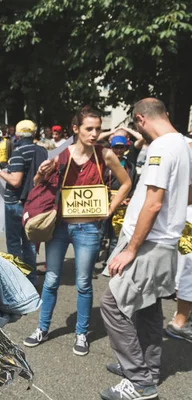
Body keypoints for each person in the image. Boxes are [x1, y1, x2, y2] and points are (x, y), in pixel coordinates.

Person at [99, 99, 192, 400]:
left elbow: (153, 202)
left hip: (150, 243)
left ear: (140, 120)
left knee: (112, 305)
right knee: (148, 307)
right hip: (163, 241)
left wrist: (130, 249)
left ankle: (139, 380)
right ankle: (146, 368)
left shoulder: (162, 147)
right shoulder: (182, 143)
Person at [24, 106, 131, 356]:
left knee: (84, 282)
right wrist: (41, 174)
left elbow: (126, 183)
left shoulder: (105, 155)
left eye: (98, 129)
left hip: (89, 228)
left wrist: (110, 209)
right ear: (76, 129)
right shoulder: (62, 154)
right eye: (89, 129)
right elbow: (38, 185)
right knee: (50, 280)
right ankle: (42, 328)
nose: (94, 134)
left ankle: (81, 333)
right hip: (60, 226)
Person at [0, 120, 37, 277]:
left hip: (15, 202)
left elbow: (15, 181)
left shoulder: (19, 151)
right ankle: (31, 278)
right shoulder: (41, 151)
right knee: (29, 243)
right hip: (32, 202)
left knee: (14, 243)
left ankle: (19, 280)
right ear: (34, 133)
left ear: (17, 134)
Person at [100, 134, 139, 270]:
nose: (118, 151)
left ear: (125, 148)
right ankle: (90, 263)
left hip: (123, 205)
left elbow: (133, 184)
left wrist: (129, 198)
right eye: (115, 148)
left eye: (121, 148)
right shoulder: (104, 164)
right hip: (105, 202)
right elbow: (99, 183)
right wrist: (108, 196)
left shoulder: (130, 166)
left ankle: (109, 263)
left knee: (115, 237)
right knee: (99, 234)